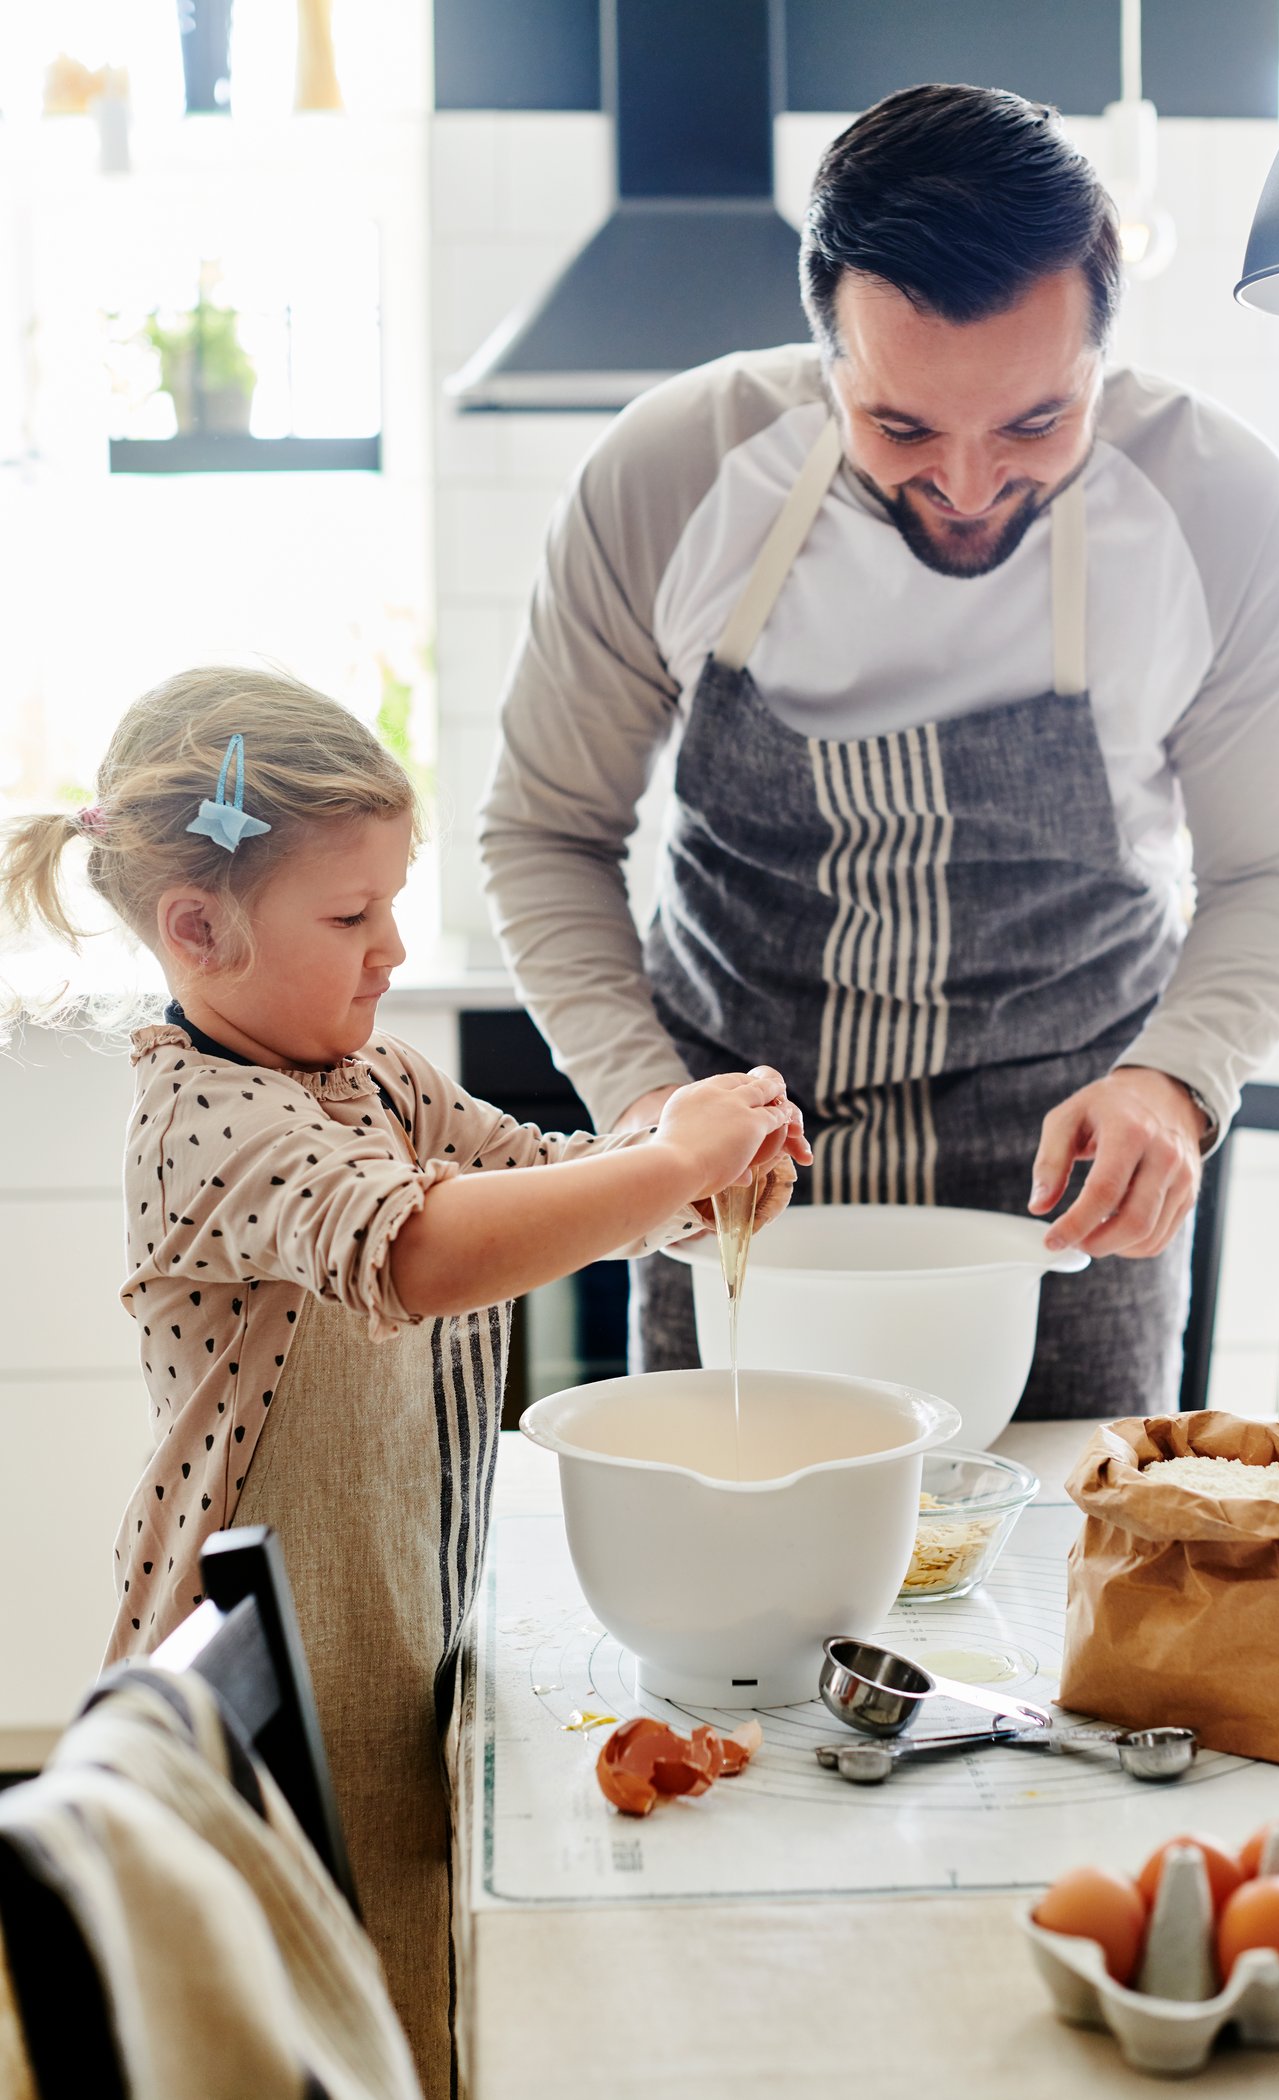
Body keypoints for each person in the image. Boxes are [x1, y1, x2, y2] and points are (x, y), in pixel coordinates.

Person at [479, 81, 1279, 1415]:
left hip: (1066, 1222)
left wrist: (1177, 1085)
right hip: (741, 1213)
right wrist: (650, 1112)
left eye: (1033, 424)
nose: (965, 485)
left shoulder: (1222, 512)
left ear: (1101, 355)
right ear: (826, 346)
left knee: (1068, 1603)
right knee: (744, 1586)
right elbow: (543, 835)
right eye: (899, 427)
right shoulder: (667, 476)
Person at [0, 666, 807, 2098]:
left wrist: (693, 1177)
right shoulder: (212, 1121)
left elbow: (548, 1182)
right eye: (350, 916)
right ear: (198, 931)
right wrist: (667, 1161)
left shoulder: (373, 1078)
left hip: (389, 1605)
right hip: (264, 1654)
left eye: (392, 903)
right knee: (316, 2007)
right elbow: (425, 1250)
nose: (389, 949)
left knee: (414, 1960)